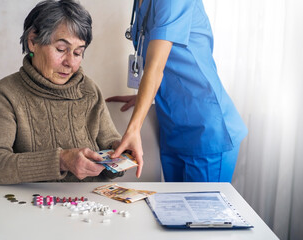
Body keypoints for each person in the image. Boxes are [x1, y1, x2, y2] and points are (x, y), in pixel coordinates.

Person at [0, 0, 123, 184]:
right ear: (32, 41)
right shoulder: (6, 93)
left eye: (78, 53)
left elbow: (111, 145)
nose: (70, 63)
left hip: (92, 203)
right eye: (61, 49)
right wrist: (62, 161)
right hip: (33, 206)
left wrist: (121, 154)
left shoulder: (89, 90)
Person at [106, 0, 248, 182]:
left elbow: (155, 67)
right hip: (172, 127)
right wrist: (144, 95)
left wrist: (133, 130)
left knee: (200, 210)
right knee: (173, 209)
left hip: (206, 129)